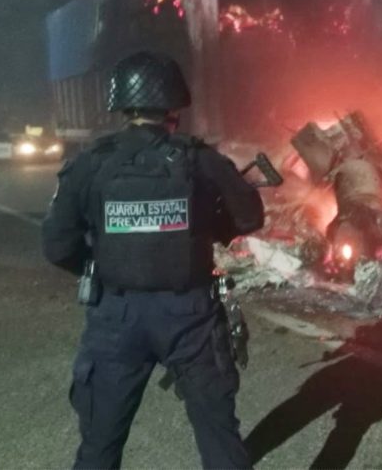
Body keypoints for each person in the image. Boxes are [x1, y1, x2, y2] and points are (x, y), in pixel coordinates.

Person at [42, 50, 264, 469]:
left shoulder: (90, 163)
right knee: (219, 438)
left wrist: (101, 264)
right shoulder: (199, 158)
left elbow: (56, 246)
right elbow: (251, 216)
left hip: (115, 315)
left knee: (99, 445)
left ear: (122, 106)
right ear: (175, 107)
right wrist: (210, 225)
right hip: (191, 315)